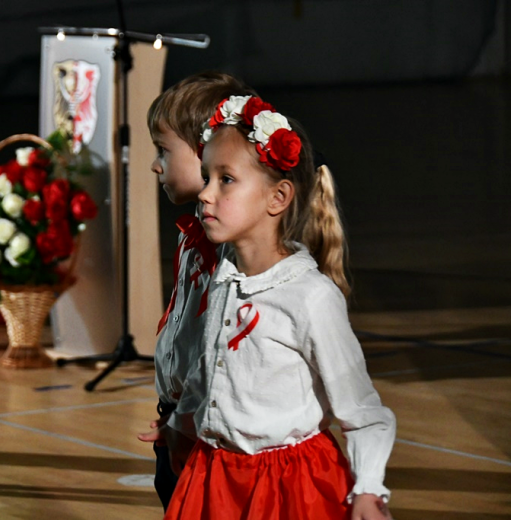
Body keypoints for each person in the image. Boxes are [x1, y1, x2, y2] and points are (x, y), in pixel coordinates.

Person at [163, 95, 396, 519]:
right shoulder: (224, 275)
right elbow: (209, 365)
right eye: (205, 177)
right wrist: (182, 422)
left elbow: (363, 411)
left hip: (289, 487)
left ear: (278, 197)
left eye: (226, 179)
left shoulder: (310, 297)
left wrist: (368, 490)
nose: (206, 193)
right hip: (215, 477)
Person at [136, 72, 257, 511]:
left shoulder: (235, 255)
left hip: (207, 430)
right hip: (177, 418)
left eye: (163, 150)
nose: (155, 164)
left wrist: (187, 418)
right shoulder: (194, 232)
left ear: (207, 152)